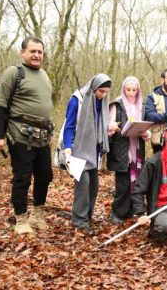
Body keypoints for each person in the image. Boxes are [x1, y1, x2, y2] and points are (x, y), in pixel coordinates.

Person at [0, 36, 53, 234]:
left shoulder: (44, 74)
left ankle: (37, 215)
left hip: (43, 136)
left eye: (40, 52)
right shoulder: (14, 73)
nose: (36, 55)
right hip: (20, 135)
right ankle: (21, 220)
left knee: (45, 175)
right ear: (23, 53)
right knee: (22, 178)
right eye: (32, 51)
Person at [62, 73, 112, 236]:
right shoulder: (78, 99)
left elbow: (100, 127)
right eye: (101, 91)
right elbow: (69, 125)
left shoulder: (102, 103)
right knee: (83, 186)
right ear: (94, 88)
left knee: (93, 187)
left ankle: (86, 217)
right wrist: (68, 146)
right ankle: (79, 221)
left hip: (93, 151)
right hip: (78, 149)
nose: (103, 95)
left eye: (106, 92)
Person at [107, 76, 151, 224]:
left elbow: (145, 125)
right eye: (128, 89)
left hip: (137, 148)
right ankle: (118, 212)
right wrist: (112, 127)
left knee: (136, 181)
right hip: (121, 148)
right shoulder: (117, 104)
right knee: (123, 183)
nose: (131, 93)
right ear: (123, 89)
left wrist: (146, 133)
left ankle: (132, 210)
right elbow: (109, 124)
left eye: (134, 90)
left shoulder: (142, 106)